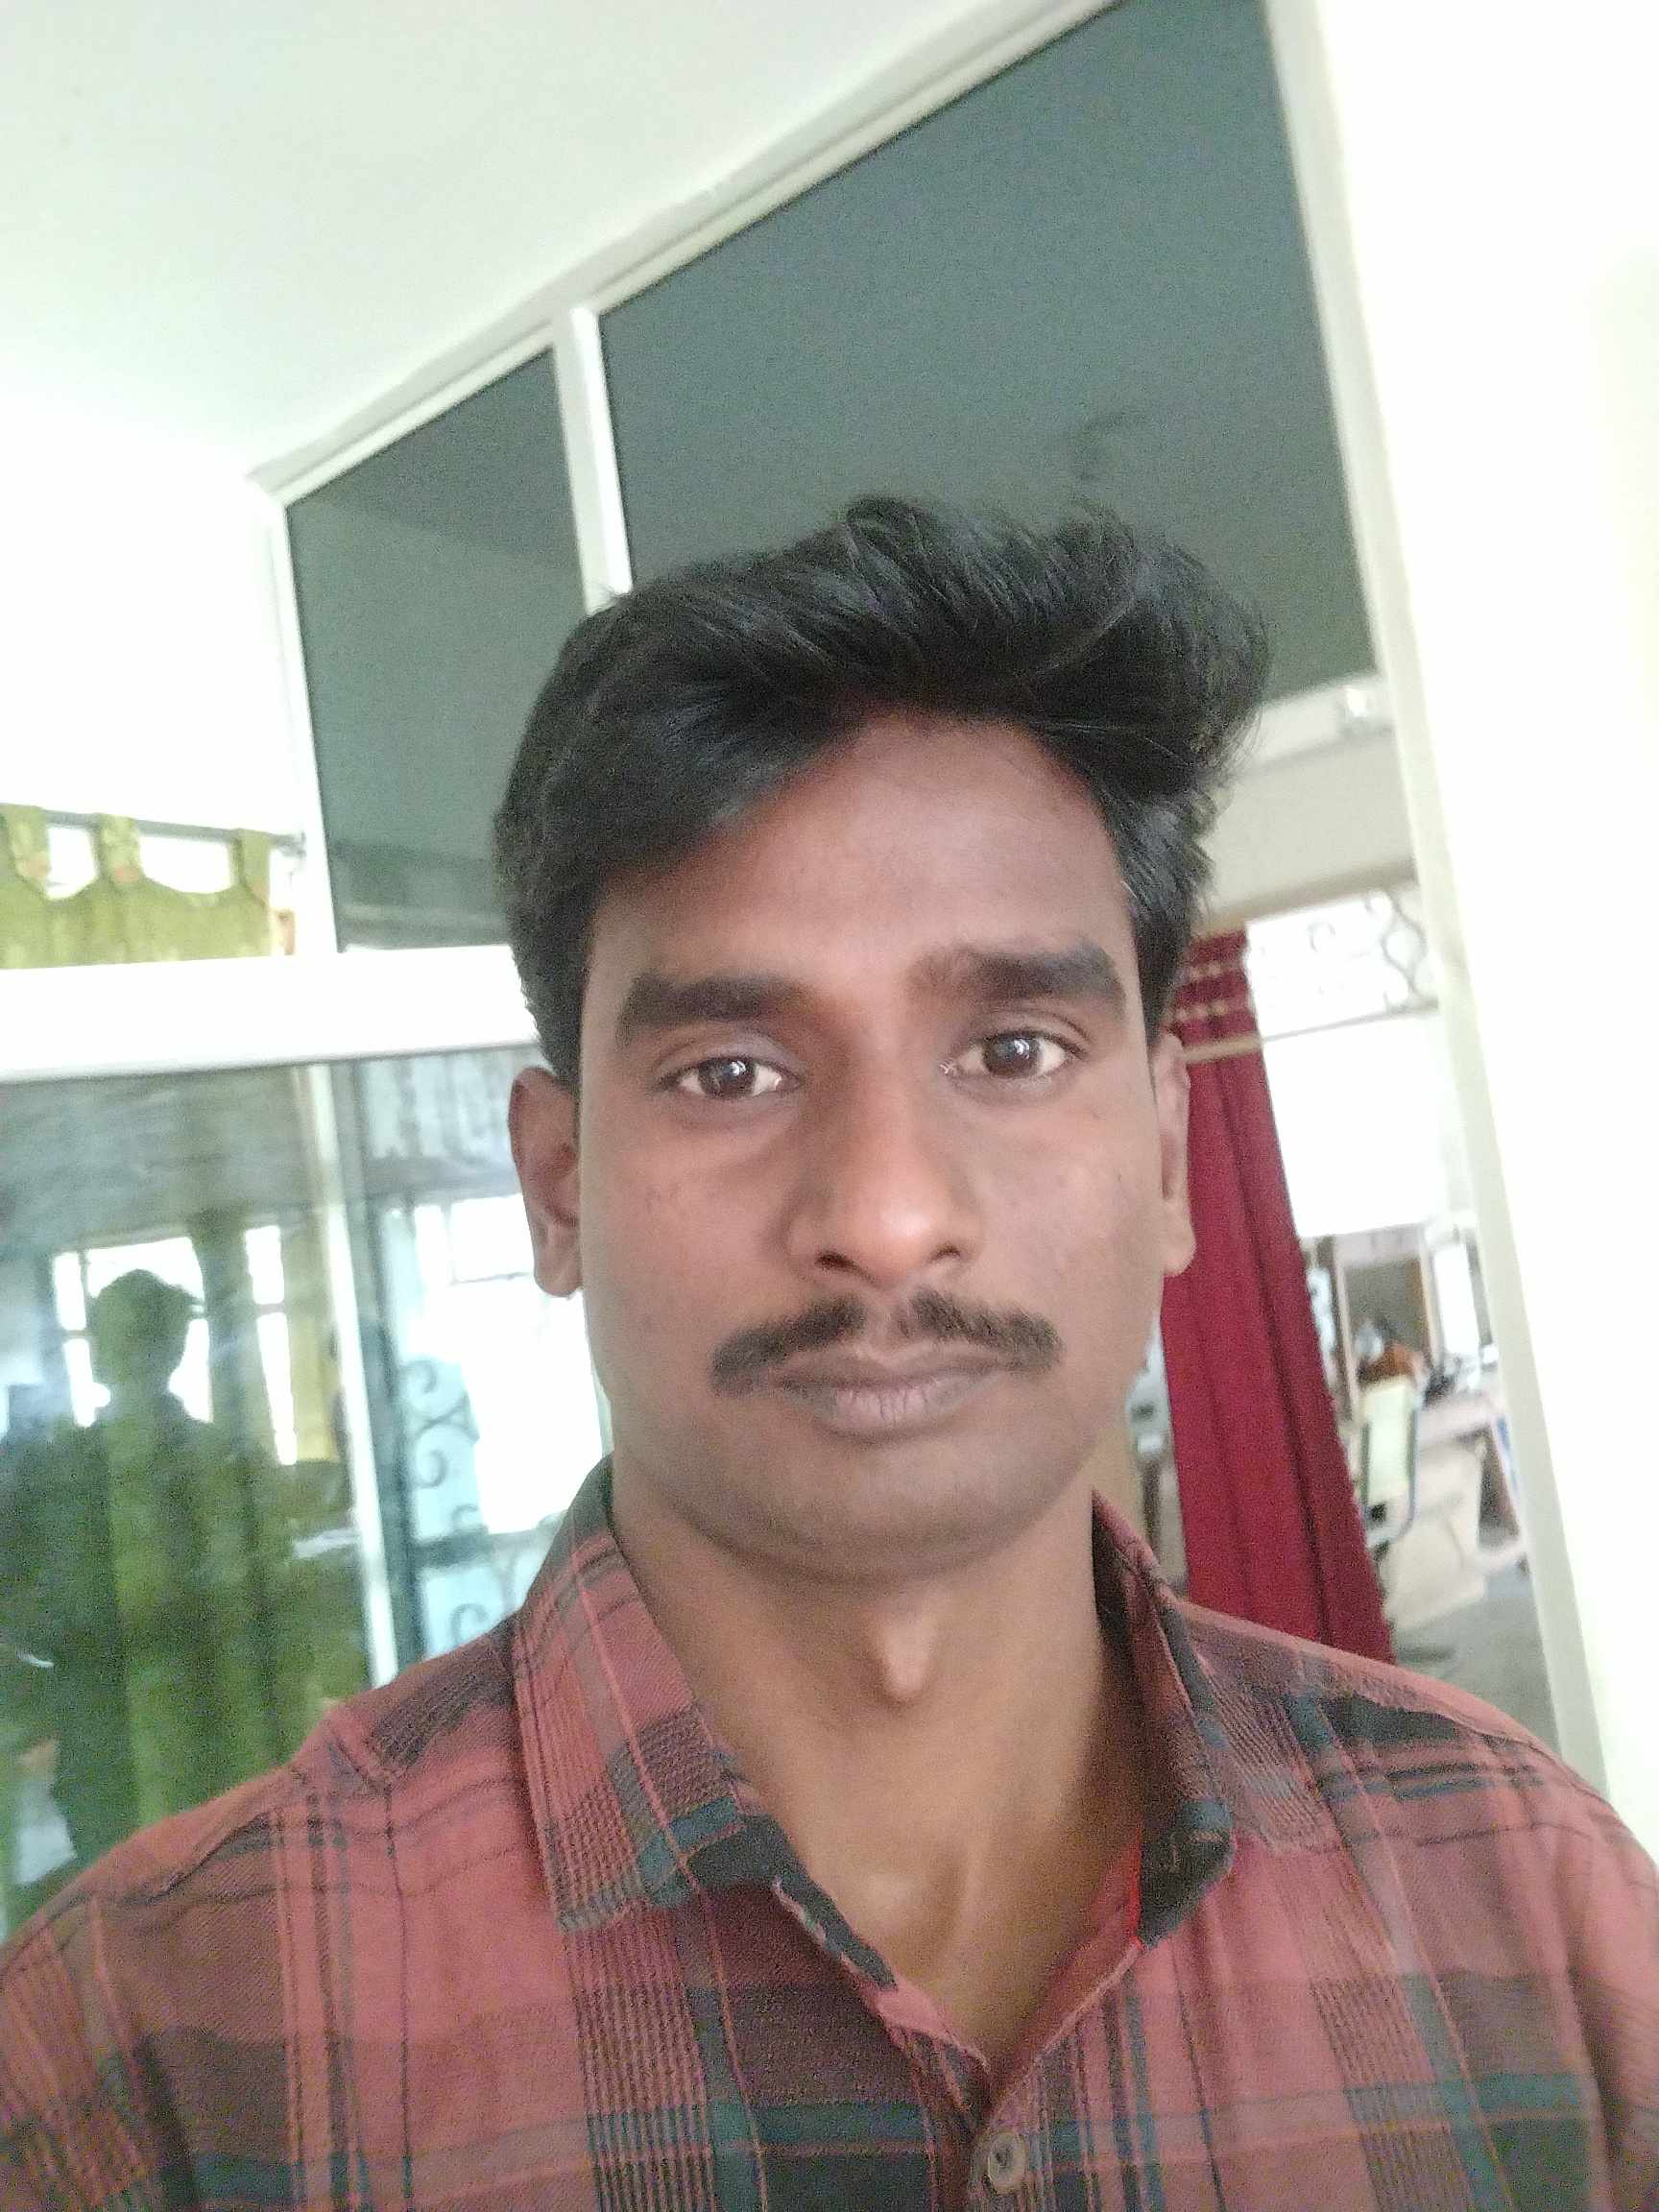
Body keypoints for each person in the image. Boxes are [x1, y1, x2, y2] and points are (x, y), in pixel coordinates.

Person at [2, 501, 1654, 2208]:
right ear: (559, 1188)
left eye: (1013, 1049)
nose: (884, 1216)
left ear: (1168, 1155)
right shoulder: (156, 2051)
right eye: (729, 1072)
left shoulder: (1536, 1906)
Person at [0, 1271, 313, 1914]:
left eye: (128, 1337)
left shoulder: (69, 1470)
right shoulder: (64, 1472)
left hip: (203, 1727)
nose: (122, 1352)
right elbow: (23, 1607)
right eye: (117, 1337)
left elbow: (274, 1607)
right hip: (115, 1737)